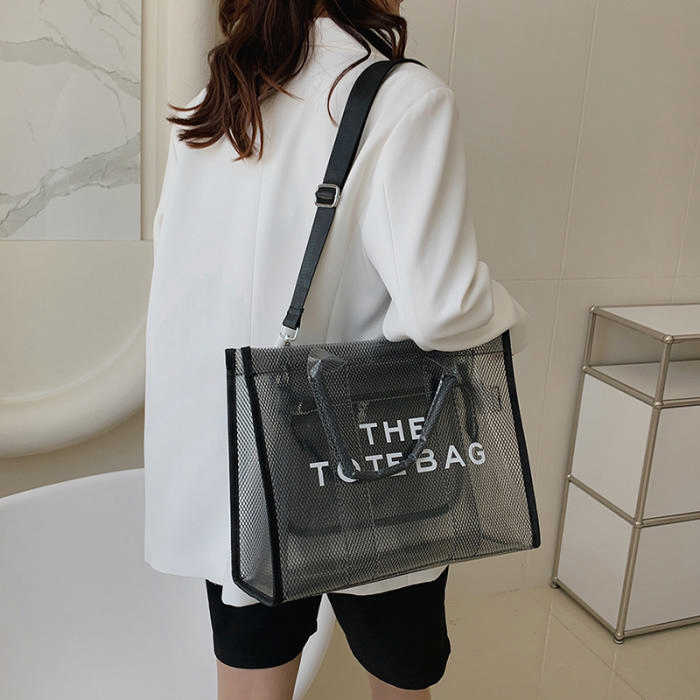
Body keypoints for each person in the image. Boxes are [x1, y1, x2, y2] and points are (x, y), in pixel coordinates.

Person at [144, 1, 527, 698]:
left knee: (252, 680)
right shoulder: (403, 99)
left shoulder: (215, 104)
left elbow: (180, 277)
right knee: (398, 675)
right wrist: (510, 315)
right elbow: (443, 309)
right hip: (374, 459)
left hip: (242, 468)